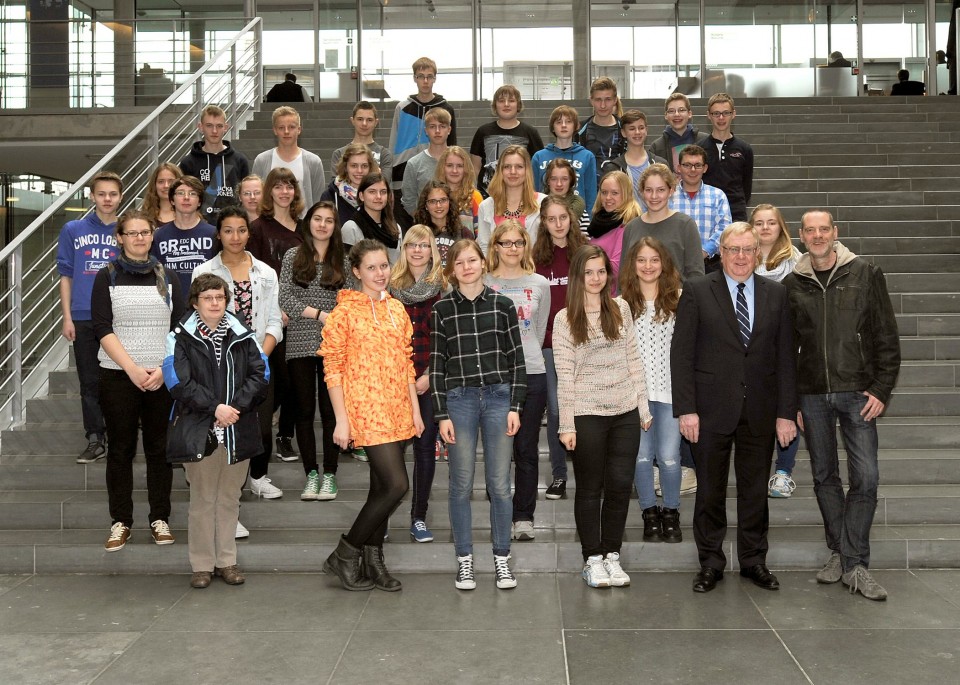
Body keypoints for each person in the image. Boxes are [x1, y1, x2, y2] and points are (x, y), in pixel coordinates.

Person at [671, 222, 797, 594]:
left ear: (757, 252)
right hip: (709, 411)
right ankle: (710, 563)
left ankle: (754, 561)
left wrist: (786, 413)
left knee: (755, 491)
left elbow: (786, 357)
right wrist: (687, 409)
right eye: (733, 249)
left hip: (760, 408)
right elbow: (682, 355)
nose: (740, 257)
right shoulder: (696, 290)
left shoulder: (776, 293)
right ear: (720, 252)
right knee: (709, 490)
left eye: (747, 250)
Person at [782, 209, 901, 601]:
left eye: (823, 229)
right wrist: (792, 399)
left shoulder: (866, 273)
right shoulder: (792, 283)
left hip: (858, 393)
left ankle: (853, 561)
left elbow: (886, 336)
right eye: (810, 230)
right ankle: (842, 554)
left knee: (866, 478)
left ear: (835, 233)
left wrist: (881, 390)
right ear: (801, 236)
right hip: (812, 394)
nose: (817, 236)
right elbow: (785, 350)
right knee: (824, 476)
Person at [320, 240, 424, 592]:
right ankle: (345, 553)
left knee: (382, 487)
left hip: (397, 407)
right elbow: (332, 368)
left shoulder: (397, 310)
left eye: (384, 266)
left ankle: (373, 560)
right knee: (398, 485)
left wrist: (415, 408)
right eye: (372, 268)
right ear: (356, 271)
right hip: (365, 409)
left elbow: (407, 363)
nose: (380, 274)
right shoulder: (344, 313)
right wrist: (341, 420)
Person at [430, 239, 526, 591]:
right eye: (460, 262)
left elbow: (517, 361)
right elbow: (437, 365)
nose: (467, 267)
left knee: (500, 485)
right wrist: (441, 414)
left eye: (472, 260)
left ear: (483, 263)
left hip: (500, 399)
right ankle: (465, 561)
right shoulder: (441, 310)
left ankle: (502, 559)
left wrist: (516, 406)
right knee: (461, 484)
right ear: (451, 269)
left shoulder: (503, 306)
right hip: (459, 401)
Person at [554, 245, 652, 588]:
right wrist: (566, 424)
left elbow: (634, 360)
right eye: (588, 272)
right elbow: (564, 376)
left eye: (601, 271)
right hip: (586, 414)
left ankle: (612, 555)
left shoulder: (621, 308)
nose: (595, 278)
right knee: (590, 488)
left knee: (620, 487)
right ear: (577, 277)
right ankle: (592, 558)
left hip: (625, 410)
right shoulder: (564, 319)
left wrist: (643, 406)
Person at [163, 273, 269, 588]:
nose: (214, 303)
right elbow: (177, 382)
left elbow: (260, 373)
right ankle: (201, 565)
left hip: (238, 427)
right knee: (202, 499)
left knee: (229, 498)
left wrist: (234, 407)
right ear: (195, 302)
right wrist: (215, 409)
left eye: (220, 297)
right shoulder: (179, 336)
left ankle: (227, 562)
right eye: (208, 297)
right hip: (200, 429)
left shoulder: (243, 334)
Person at [91, 209, 185, 552]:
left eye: (144, 232)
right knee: (120, 450)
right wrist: (132, 368)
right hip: (118, 376)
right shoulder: (107, 276)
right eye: (131, 233)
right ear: (120, 238)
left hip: (160, 377)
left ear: (152, 234)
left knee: (160, 451)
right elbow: (102, 327)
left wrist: (163, 369)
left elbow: (179, 329)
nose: (139, 238)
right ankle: (121, 521)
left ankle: (160, 518)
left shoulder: (169, 277)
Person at [192, 207, 283, 535]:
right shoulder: (204, 271)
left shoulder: (266, 272)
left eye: (241, 230)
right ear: (218, 234)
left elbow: (274, 320)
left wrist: (260, 357)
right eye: (228, 230)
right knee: (224, 434)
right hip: (219, 366)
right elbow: (199, 322)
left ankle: (251, 483)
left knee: (257, 432)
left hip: (258, 364)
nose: (235, 237)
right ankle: (228, 511)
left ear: (249, 233)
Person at [484, 220, 550, 542]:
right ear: (494, 246)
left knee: (526, 449)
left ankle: (524, 516)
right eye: (505, 243)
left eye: (518, 243)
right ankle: (499, 512)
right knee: (498, 450)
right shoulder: (482, 282)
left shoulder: (539, 283)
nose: (512, 248)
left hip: (532, 373)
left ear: (526, 246)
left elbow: (537, 331)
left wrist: (524, 358)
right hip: (495, 376)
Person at [278, 201, 346, 502]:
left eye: (328, 220)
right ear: (309, 223)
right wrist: (320, 314)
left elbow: (351, 298)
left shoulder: (344, 258)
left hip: (336, 344)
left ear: (335, 226)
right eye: (317, 219)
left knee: (332, 412)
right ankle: (311, 475)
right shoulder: (294, 256)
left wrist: (334, 321)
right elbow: (285, 298)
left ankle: (330, 473)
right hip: (300, 341)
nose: (322, 225)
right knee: (304, 411)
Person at [620, 237, 683, 543]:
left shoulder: (680, 300)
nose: (648, 266)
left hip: (672, 394)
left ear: (664, 264)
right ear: (633, 265)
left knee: (670, 457)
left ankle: (671, 512)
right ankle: (649, 514)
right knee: (641, 458)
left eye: (654, 259)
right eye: (642, 260)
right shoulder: (621, 305)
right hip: (636, 395)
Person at [57, 170, 122, 464]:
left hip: (119, 316)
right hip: (83, 317)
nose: (107, 199)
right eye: (101, 194)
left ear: (120, 196)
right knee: (89, 381)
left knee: (120, 379)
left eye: (112, 194)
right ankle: (95, 438)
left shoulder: (128, 229)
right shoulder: (73, 229)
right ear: (92, 196)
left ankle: (121, 435)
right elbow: (66, 276)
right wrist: (66, 317)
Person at [388, 226, 446, 543]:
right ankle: (381, 513)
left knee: (425, 450)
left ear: (432, 250)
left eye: (424, 245)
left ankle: (418, 517)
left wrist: (427, 375)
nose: (418, 250)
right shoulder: (390, 288)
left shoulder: (442, 288)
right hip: (394, 380)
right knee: (392, 450)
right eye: (411, 244)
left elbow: (446, 340)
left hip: (428, 378)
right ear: (403, 248)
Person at [248, 167, 306, 475]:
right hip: (271, 317)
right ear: (269, 191)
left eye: (289, 187)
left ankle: (286, 435)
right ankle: (266, 437)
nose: (284, 192)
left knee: (295, 384)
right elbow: (254, 273)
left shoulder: (303, 226)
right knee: (278, 379)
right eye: (279, 187)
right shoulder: (258, 228)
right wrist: (276, 309)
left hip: (301, 315)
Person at [533, 196, 588, 501]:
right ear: (543, 222)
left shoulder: (584, 252)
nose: (557, 224)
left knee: (584, 408)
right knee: (555, 409)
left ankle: (590, 473)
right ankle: (558, 475)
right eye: (551, 218)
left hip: (583, 341)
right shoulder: (536, 257)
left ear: (571, 218)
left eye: (562, 217)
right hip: (549, 344)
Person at [750, 204, 802, 499]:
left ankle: (783, 472)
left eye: (772, 223)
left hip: (785, 344)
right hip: (750, 348)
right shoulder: (741, 257)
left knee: (786, 408)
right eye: (759, 223)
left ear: (781, 227)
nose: (765, 228)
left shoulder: (797, 262)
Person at [389, 56, 457, 208]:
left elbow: (452, 145)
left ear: (435, 79)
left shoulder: (446, 109)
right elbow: (393, 143)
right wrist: (390, 182)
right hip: (402, 175)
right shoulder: (402, 108)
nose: (425, 81)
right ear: (415, 78)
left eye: (429, 77)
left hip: (436, 177)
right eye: (421, 77)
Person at [621, 163, 705, 283]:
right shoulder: (631, 228)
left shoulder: (685, 225)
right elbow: (624, 275)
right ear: (642, 192)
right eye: (649, 190)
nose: (654, 196)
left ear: (670, 191)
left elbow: (696, 274)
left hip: (677, 299)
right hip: (637, 300)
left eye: (661, 190)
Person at [150, 175, 217, 304]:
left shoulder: (213, 234)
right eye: (180, 193)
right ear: (172, 200)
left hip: (206, 304)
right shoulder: (159, 236)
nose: (186, 198)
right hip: (169, 304)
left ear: (199, 201)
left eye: (192, 194)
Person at [178, 104, 250, 220]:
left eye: (219, 126)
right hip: (199, 226)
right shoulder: (188, 162)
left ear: (226, 127)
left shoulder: (240, 160)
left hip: (233, 224)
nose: (214, 131)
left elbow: (246, 195)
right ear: (200, 127)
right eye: (209, 126)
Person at [470, 85, 544, 195]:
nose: (506, 104)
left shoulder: (530, 133)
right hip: (487, 195)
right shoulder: (483, 132)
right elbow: (475, 168)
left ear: (518, 105)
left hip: (520, 196)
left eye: (511, 100)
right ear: (495, 105)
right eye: (501, 101)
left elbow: (536, 169)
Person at [670, 144, 731, 273]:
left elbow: (725, 229)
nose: (693, 170)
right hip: (674, 266)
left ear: (705, 168)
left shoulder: (718, 196)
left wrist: (704, 251)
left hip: (710, 265)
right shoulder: (668, 196)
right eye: (687, 165)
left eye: (698, 165)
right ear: (679, 168)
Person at [251, 106, 326, 212]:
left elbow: (318, 201)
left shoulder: (314, 162)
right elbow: (256, 196)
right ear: (275, 130)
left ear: (299, 129)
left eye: (291, 127)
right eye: (281, 127)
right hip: (270, 224)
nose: (286, 131)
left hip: (302, 225)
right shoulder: (262, 161)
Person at [532, 105, 597, 222]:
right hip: (546, 218)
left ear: (576, 126)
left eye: (568, 121)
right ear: (552, 127)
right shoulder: (539, 157)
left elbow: (591, 194)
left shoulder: (587, 156)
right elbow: (534, 192)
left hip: (578, 219)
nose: (563, 125)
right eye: (558, 122)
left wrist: (590, 223)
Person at [477, 145, 546, 255]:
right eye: (507, 167)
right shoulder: (486, 206)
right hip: (496, 271)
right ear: (500, 171)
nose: (513, 171)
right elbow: (484, 247)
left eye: (519, 166)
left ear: (527, 170)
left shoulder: (543, 203)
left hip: (533, 270)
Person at [702, 93, 754, 222]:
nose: (721, 117)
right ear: (709, 115)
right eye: (716, 113)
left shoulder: (745, 149)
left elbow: (746, 186)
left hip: (736, 213)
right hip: (707, 211)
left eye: (726, 113)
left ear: (733, 114)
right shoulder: (699, 148)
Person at [600, 109, 668, 207]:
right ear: (623, 132)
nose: (637, 132)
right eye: (632, 129)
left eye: (641, 128)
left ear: (646, 130)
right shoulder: (613, 168)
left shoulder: (660, 164)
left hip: (656, 220)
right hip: (625, 221)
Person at [586, 170, 641, 286]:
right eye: (604, 192)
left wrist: (585, 266)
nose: (608, 198)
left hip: (614, 298)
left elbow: (616, 269)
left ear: (626, 195)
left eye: (614, 193)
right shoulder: (598, 223)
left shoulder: (627, 227)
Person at [400, 107, 452, 221]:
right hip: (425, 229)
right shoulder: (414, 164)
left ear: (449, 129)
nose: (437, 131)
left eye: (442, 126)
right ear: (426, 130)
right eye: (432, 127)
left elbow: (469, 191)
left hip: (457, 227)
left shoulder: (459, 161)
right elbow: (408, 200)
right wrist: (423, 220)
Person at [574, 77, 626, 186]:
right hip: (589, 193)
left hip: (619, 191)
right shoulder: (579, 131)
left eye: (607, 99)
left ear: (615, 100)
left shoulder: (625, 129)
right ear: (591, 100)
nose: (603, 105)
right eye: (598, 100)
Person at [341, 172, 401, 262]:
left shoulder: (396, 228)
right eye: (372, 192)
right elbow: (348, 268)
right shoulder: (351, 228)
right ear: (361, 196)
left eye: (383, 192)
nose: (378, 196)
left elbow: (400, 265)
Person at [413, 180, 474, 266]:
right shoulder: (416, 234)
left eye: (443, 200)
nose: (438, 205)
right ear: (426, 205)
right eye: (433, 201)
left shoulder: (464, 233)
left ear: (449, 202)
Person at [331, 101, 394, 182]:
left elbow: (384, 185)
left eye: (369, 120)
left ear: (376, 122)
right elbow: (336, 185)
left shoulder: (384, 154)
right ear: (352, 120)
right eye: (360, 119)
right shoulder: (339, 154)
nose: (364, 124)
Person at [320, 143, 379, 226]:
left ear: (370, 168)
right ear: (345, 167)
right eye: (354, 166)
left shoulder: (379, 196)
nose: (359, 170)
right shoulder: (330, 197)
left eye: (364, 166)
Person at [649, 93, 710, 170]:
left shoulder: (705, 140)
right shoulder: (656, 147)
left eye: (681, 110)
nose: (677, 114)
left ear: (689, 114)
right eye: (671, 111)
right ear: (666, 115)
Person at [434, 146, 482, 238]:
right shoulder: (434, 195)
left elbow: (481, 235)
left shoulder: (475, 196)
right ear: (442, 168)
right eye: (449, 165)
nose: (454, 170)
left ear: (466, 169)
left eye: (460, 166)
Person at [541, 158, 586, 227]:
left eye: (564, 179)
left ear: (571, 181)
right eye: (554, 179)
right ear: (548, 181)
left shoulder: (581, 209)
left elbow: (585, 237)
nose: (559, 184)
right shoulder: (537, 205)